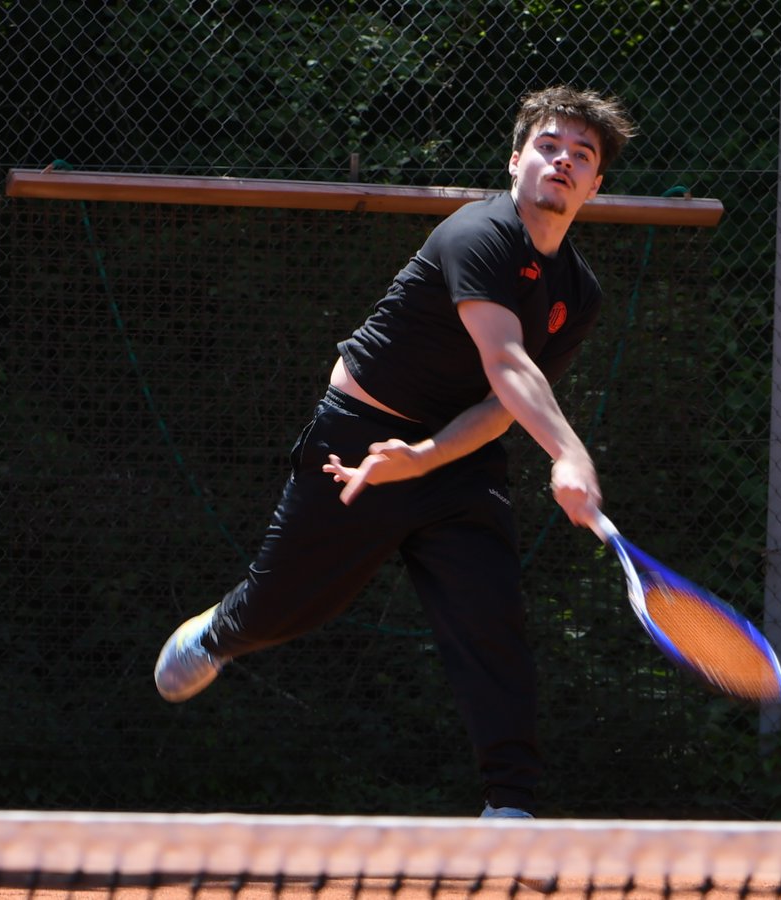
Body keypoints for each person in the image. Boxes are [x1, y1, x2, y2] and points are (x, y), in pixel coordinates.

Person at [153, 85, 637, 819]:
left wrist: (428, 457)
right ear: (515, 161)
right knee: (289, 608)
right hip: (357, 436)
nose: (563, 161)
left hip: (457, 461)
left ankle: (510, 806)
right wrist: (569, 453)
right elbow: (507, 362)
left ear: (595, 184)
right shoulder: (477, 235)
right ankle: (222, 632)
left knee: (491, 619)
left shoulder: (580, 292)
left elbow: (501, 404)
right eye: (548, 146)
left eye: (583, 154)